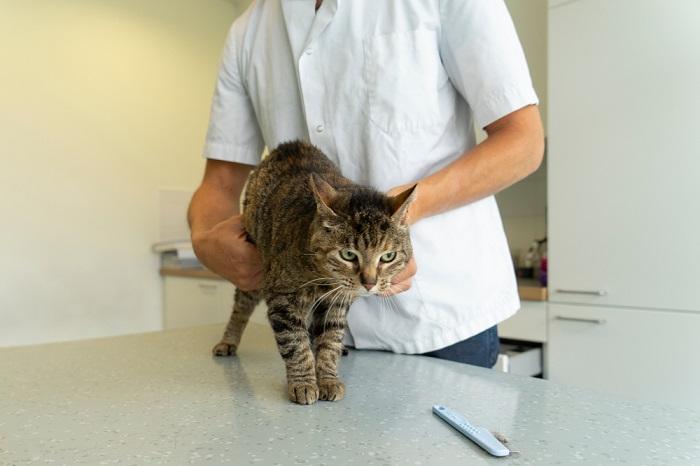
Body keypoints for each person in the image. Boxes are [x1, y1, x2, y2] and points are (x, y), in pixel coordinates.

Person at [188, 0, 544, 368]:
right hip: (311, 324)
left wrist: (402, 214)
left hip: (439, 319)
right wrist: (203, 242)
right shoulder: (248, 31)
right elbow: (221, 182)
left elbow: (523, 143)